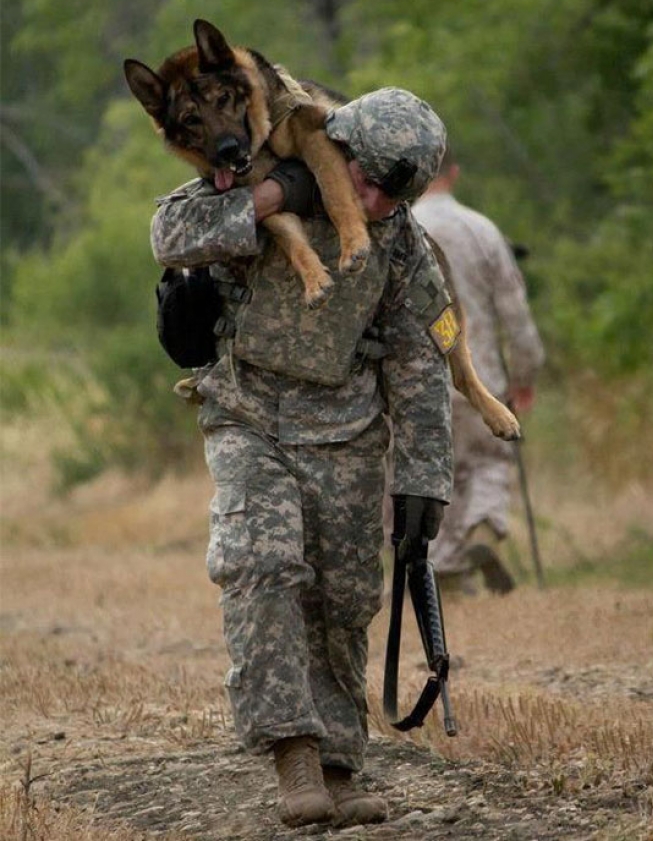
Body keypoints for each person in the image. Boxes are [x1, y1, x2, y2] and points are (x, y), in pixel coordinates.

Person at [150, 88, 453, 829]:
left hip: (347, 428)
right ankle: (294, 754)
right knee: (261, 565)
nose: (374, 201)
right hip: (248, 414)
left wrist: (424, 482)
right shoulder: (271, 184)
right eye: (365, 180)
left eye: (394, 192)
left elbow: (422, 359)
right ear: (338, 151)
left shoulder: (401, 243)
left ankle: (343, 765)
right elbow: (169, 232)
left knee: (345, 597)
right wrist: (267, 197)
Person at [412, 146, 545, 595]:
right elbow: (516, 316)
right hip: (482, 378)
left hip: (414, 381)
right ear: (455, 173)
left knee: (430, 477)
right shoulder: (481, 230)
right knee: (488, 461)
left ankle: (446, 570)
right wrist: (524, 377)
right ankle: (483, 530)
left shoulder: (400, 227)